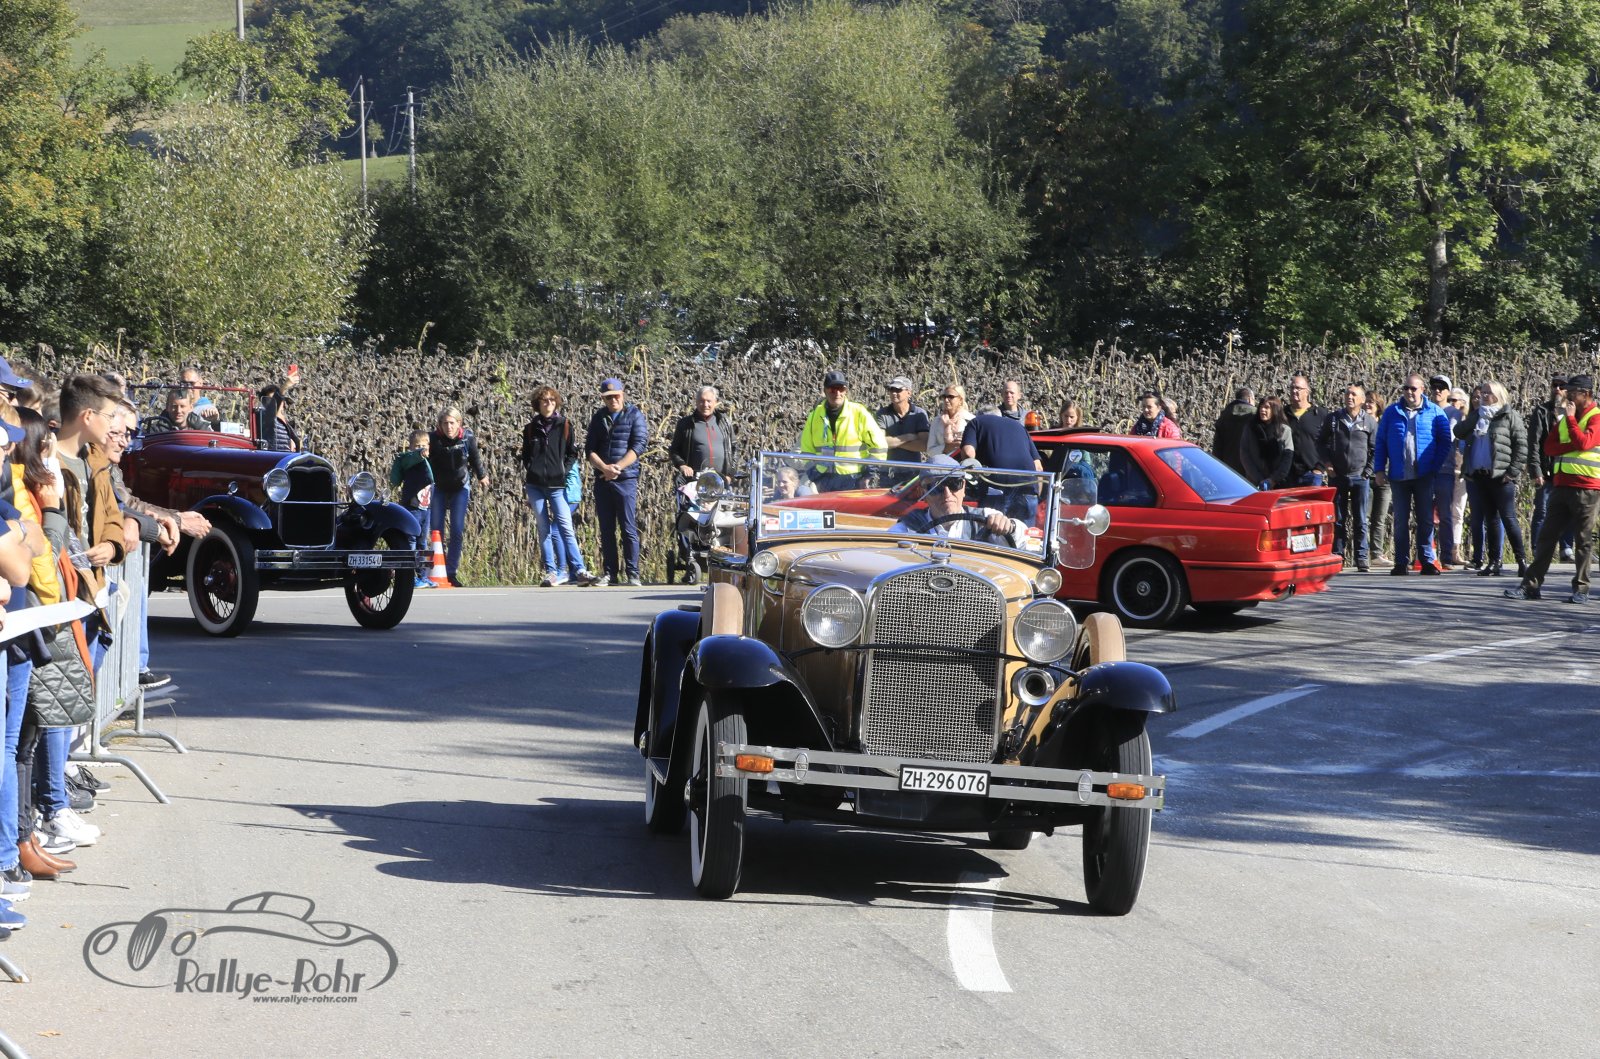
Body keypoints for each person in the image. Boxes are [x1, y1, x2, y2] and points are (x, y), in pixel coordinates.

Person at [1504, 373, 1600, 603]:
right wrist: (1571, 438)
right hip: (1561, 485)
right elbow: (1549, 447)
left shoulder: (1595, 417)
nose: (1568, 396)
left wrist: (1570, 422)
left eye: (1573, 392)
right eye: (1567, 392)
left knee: (1583, 540)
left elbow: (1585, 443)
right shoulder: (1567, 418)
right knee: (1546, 537)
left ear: (1586, 394)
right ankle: (1530, 586)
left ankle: (1581, 590)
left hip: (1587, 488)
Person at [1373, 374, 1454, 575]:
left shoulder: (1434, 412)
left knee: (1425, 519)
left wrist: (1434, 466)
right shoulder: (1391, 412)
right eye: (1406, 388)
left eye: (1413, 389)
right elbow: (1381, 442)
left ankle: (1427, 561)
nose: (1409, 392)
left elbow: (1445, 442)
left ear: (1422, 390)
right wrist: (1379, 469)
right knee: (1400, 520)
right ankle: (1401, 562)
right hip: (1399, 475)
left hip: (1424, 475)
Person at [522, 388, 595, 588]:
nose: (548, 404)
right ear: (538, 404)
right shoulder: (530, 429)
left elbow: (572, 453)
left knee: (565, 526)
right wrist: (533, 469)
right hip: (535, 485)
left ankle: (579, 569)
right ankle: (551, 571)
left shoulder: (565, 425)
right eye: (544, 400)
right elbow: (526, 455)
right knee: (543, 528)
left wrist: (563, 471)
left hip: (556, 485)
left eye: (552, 400)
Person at [1456, 381, 1527, 578]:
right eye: (1482, 392)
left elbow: (1521, 446)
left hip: (1501, 477)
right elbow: (1458, 432)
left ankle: (1521, 560)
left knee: (1508, 518)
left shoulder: (1508, 415)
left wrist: (1512, 472)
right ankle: (1494, 561)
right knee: (1491, 519)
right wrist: (1474, 415)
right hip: (1481, 475)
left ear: (1498, 395)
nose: (1483, 396)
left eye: (1488, 393)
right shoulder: (1477, 416)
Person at [585, 378, 649, 587]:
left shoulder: (634, 415)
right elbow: (590, 449)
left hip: (625, 479)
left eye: (616, 396)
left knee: (628, 527)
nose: (613, 400)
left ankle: (633, 573)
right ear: (603, 399)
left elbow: (639, 445)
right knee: (606, 529)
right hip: (603, 479)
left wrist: (618, 467)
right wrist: (604, 468)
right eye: (608, 397)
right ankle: (610, 573)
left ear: (623, 394)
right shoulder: (598, 418)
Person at [888, 455, 1027, 547]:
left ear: (964, 487)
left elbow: (1023, 541)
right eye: (936, 488)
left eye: (954, 484)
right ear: (923, 493)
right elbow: (887, 549)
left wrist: (1010, 526)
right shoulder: (910, 526)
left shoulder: (985, 517)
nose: (947, 494)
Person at [1317, 384, 1377, 570]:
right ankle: (1338, 555)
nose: (1349, 397)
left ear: (1362, 400)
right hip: (1338, 476)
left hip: (1360, 477)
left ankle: (1361, 557)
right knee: (1338, 518)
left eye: (1353, 394)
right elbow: (1321, 442)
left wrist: (1367, 472)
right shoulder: (1334, 419)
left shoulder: (1369, 422)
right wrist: (1327, 463)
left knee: (1361, 519)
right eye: (1347, 394)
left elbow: (1375, 449)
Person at [427, 406, 489, 587]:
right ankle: (436, 571)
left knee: (457, 530)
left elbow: (475, 458)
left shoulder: (467, 437)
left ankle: (451, 572)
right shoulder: (433, 439)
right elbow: (424, 462)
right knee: (436, 531)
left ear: (459, 423)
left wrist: (482, 476)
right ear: (440, 425)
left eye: (452, 423)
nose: (449, 427)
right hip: (439, 487)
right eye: (445, 423)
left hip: (460, 487)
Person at [797, 370, 886, 491]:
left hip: (854, 479)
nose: (837, 393)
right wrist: (815, 476)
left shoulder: (859, 412)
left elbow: (879, 447)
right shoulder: (814, 415)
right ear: (825, 391)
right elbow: (806, 450)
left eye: (841, 389)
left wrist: (868, 475)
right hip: (824, 480)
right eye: (832, 389)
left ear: (846, 391)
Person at [959, 406, 1043, 519]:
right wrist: (1036, 496)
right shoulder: (1019, 426)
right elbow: (1038, 467)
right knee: (1024, 530)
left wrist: (971, 477)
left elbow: (968, 453)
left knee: (992, 529)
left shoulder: (976, 422)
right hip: (1028, 489)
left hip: (997, 489)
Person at [1526, 374, 1576, 562]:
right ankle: (1538, 549)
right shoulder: (1542, 411)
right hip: (1548, 470)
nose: (1557, 389)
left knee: (1569, 511)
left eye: (1562, 386)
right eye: (1555, 385)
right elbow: (1534, 443)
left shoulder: (1575, 412)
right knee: (1542, 511)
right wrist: (1535, 470)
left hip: (1569, 470)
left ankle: (1566, 548)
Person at [1426, 374, 1464, 567]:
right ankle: (1425, 555)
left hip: (1445, 469)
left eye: (1441, 387)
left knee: (1445, 514)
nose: (1437, 390)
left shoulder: (1453, 413)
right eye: (1434, 387)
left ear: (1448, 391)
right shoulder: (1425, 410)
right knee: (1424, 513)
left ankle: (1447, 555)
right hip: (1425, 470)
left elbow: (1447, 436)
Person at [389, 430, 434, 588]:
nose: (421, 449)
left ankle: (423, 576)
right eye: (417, 446)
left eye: (424, 446)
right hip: (412, 508)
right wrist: (419, 453)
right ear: (411, 448)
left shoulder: (428, 462)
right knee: (411, 541)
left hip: (426, 509)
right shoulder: (409, 461)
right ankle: (409, 576)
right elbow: (411, 458)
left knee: (423, 542)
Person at [670, 386, 737, 481]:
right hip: (694, 481)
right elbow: (674, 450)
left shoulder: (725, 423)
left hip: (721, 481)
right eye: (702, 401)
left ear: (715, 402)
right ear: (696, 402)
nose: (705, 405)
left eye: (709, 401)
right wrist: (682, 465)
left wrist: (730, 475)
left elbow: (734, 449)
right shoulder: (685, 424)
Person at [1240, 396, 1294, 490]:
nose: (1262, 410)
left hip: (1278, 484)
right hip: (1253, 483)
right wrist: (1259, 479)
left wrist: (1273, 480)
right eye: (1261, 407)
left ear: (1275, 410)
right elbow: (1244, 454)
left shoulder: (1284, 430)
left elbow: (1287, 459)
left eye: (1267, 407)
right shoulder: (1250, 428)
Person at [1285, 374, 1329, 486]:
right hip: (1288, 475)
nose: (1294, 391)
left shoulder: (1320, 414)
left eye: (1298, 388)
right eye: (1292, 387)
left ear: (1307, 392)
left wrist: (1320, 468)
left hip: (1312, 475)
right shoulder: (1283, 414)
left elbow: (1330, 442)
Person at [1365, 392, 1393, 564]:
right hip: (1366, 476)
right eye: (1366, 402)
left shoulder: (1384, 425)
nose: (1368, 405)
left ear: (1378, 406)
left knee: (1380, 517)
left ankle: (1376, 553)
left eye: (1372, 402)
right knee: (1365, 517)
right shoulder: (1360, 423)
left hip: (1385, 475)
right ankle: (1362, 553)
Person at [875, 376, 929, 464]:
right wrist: (907, 437)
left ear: (909, 393)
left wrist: (893, 443)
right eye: (891, 389)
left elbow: (923, 445)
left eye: (898, 390)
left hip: (912, 469)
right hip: (888, 469)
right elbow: (879, 443)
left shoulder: (919, 414)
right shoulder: (882, 414)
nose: (894, 393)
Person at [1212, 387, 1256, 476]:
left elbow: (1217, 446)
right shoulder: (1255, 415)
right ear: (1249, 399)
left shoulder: (1224, 415)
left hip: (1228, 469)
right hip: (1250, 469)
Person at [929, 383, 975, 457]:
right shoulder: (937, 421)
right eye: (944, 397)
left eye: (951, 397)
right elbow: (930, 450)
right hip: (942, 462)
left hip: (963, 462)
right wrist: (946, 448)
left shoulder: (971, 420)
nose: (946, 400)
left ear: (960, 400)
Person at [143, 387, 210, 434]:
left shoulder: (202, 429)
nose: (178, 411)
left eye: (182, 406)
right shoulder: (155, 431)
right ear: (167, 407)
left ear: (191, 408)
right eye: (174, 406)